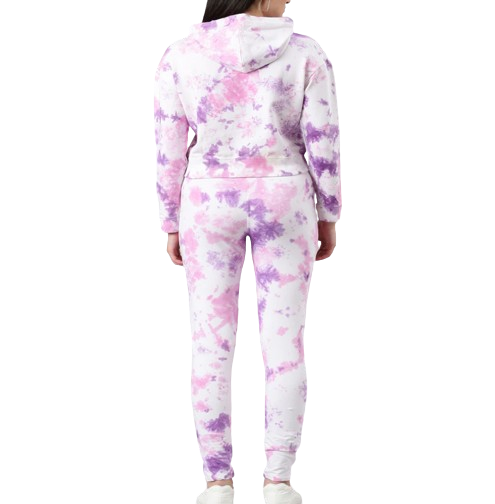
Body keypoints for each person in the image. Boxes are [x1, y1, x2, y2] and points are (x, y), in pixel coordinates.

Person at [153, 0, 341, 502]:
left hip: (207, 201)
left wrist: (170, 219)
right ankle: (279, 481)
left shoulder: (180, 54)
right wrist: (328, 212)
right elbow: (323, 140)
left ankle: (217, 483)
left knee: (210, 344)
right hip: (286, 196)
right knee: (285, 346)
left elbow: (168, 145)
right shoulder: (306, 53)